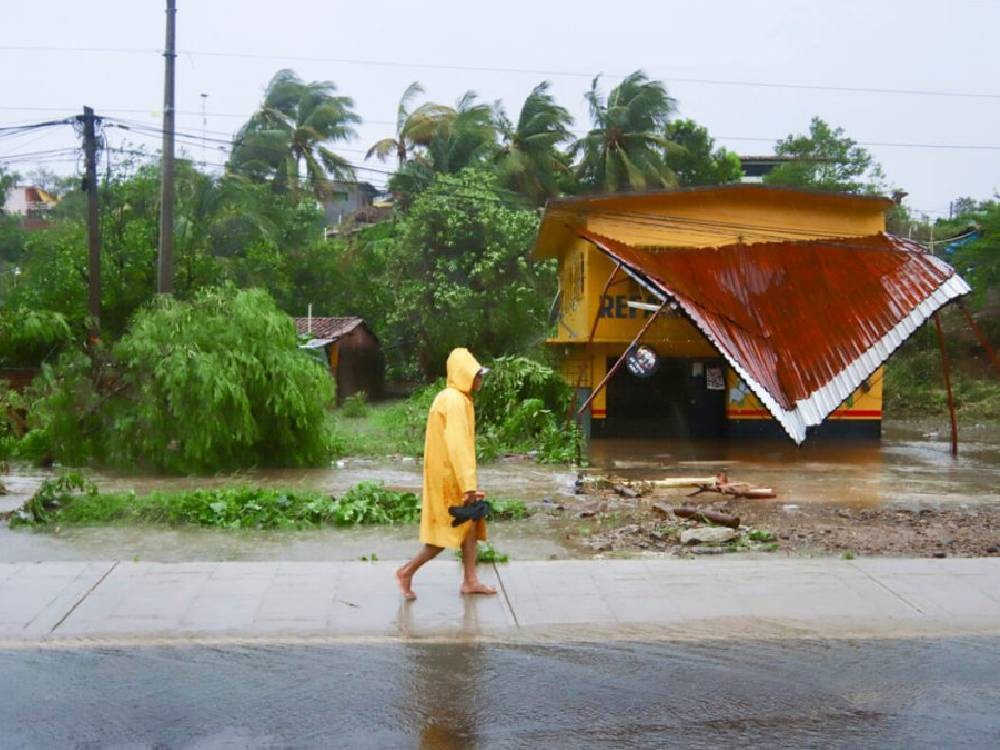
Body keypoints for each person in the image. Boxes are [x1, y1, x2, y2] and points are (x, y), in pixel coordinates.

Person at [395, 348, 497, 600]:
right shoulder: (454, 401)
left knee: (470, 524)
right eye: (477, 375)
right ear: (465, 375)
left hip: (449, 476)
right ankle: (406, 571)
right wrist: (468, 486)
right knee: (444, 534)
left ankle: (470, 580)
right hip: (449, 480)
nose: (480, 380)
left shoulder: (453, 398)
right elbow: (458, 444)